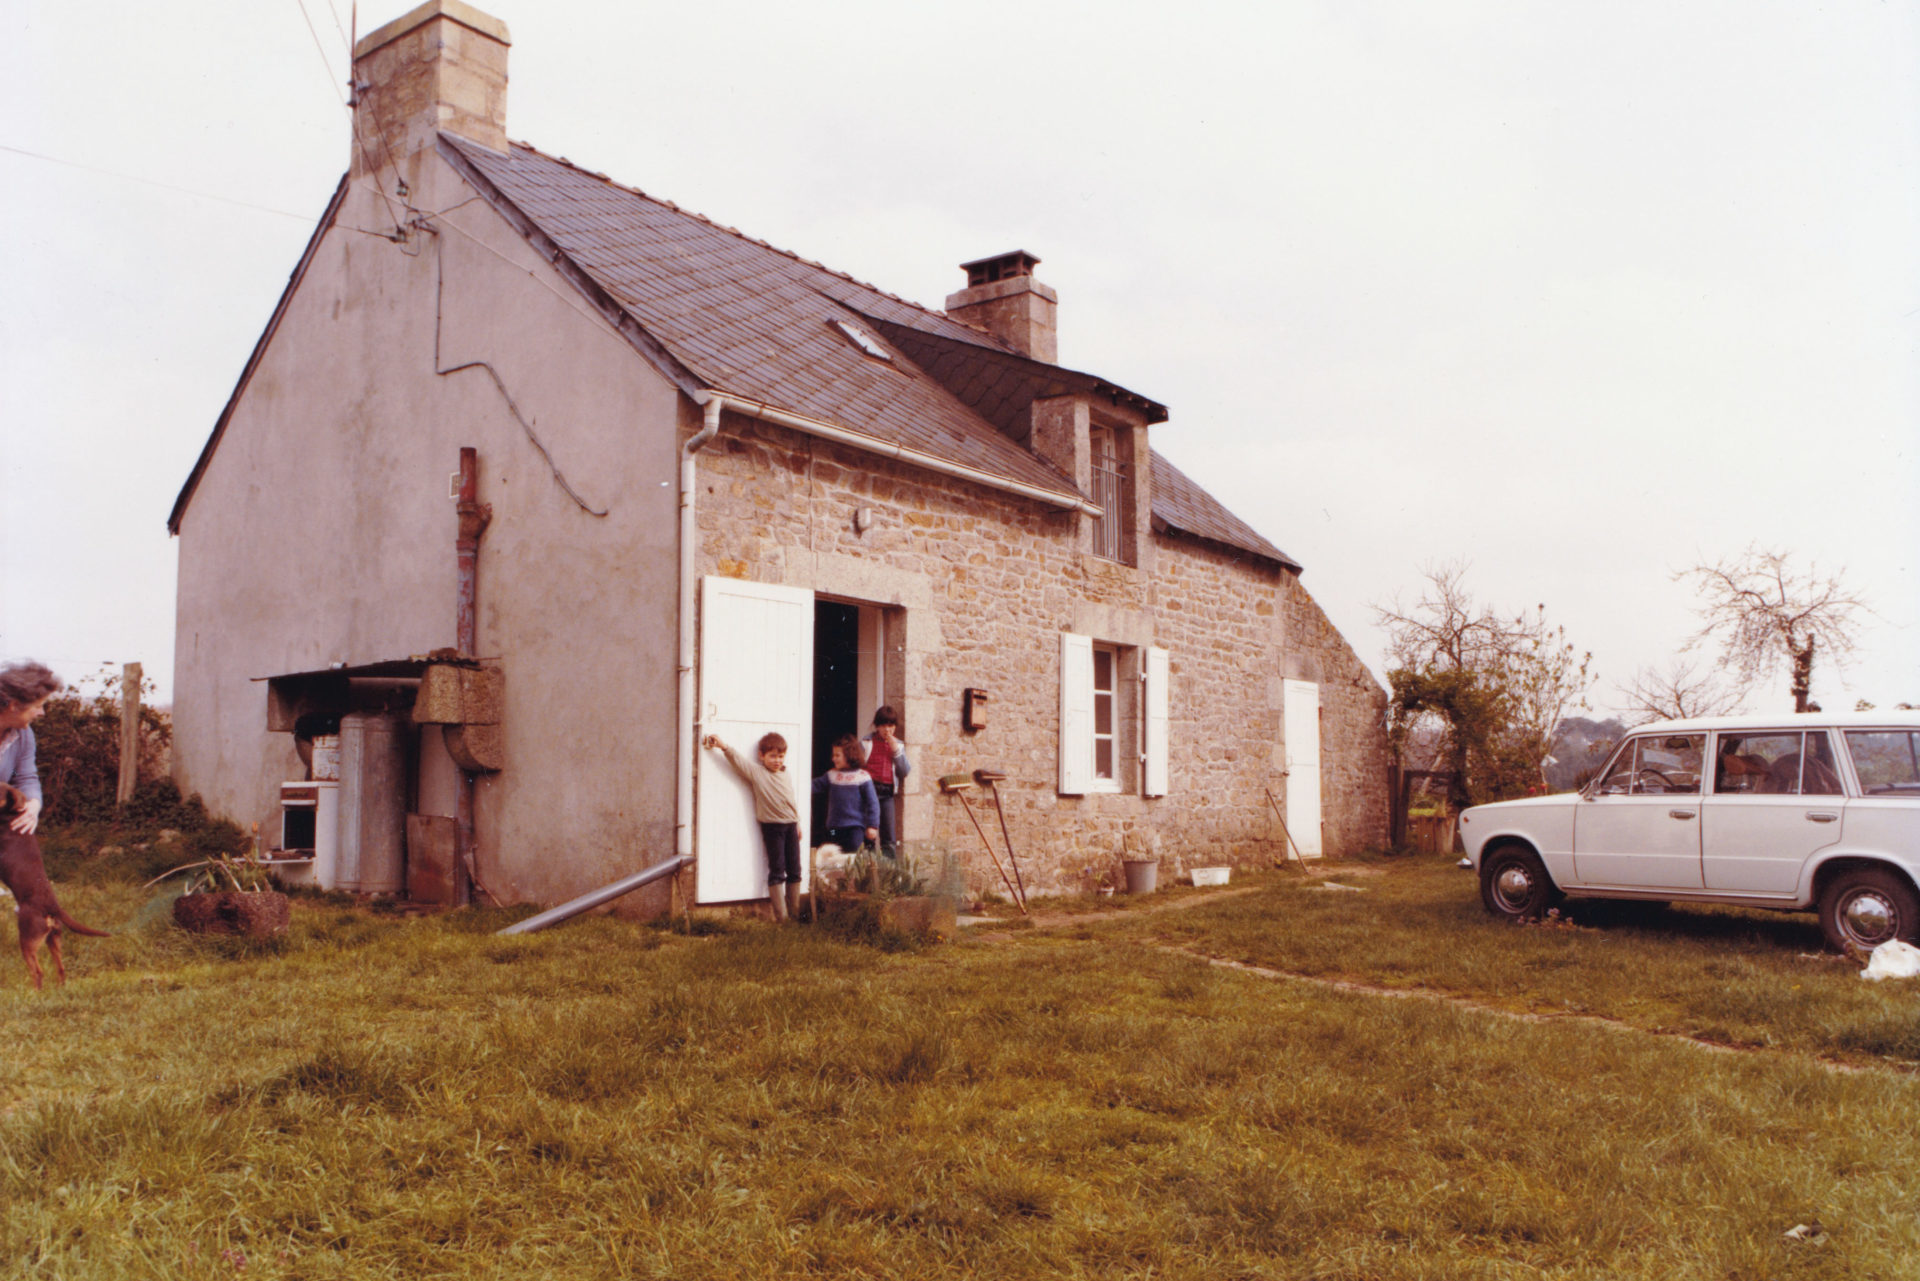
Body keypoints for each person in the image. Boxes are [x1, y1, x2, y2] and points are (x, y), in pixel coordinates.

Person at [703, 730, 803, 922]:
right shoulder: (757, 773)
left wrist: (797, 822)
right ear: (761, 756)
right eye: (772, 756)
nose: (777, 760)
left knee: (795, 869)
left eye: (780, 756)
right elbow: (738, 762)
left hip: (790, 825)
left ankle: (795, 914)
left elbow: (790, 800)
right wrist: (723, 746)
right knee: (777, 869)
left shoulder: (786, 774)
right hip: (773, 828)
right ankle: (782, 918)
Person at [0, 662, 60, 836]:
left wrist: (33, 806)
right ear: (14, 705)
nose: (42, 713)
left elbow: (26, 778)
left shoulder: (23, 735)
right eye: (38, 706)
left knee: (25, 849)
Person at [813, 735, 879, 854]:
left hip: (854, 829)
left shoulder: (862, 776)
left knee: (852, 858)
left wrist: (872, 825)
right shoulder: (831, 775)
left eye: (837, 755)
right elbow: (812, 786)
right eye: (833, 755)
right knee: (832, 857)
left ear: (849, 755)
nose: (833, 758)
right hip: (833, 829)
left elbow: (872, 803)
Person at [860, 706, 911, 858]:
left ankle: (889, 878)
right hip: (870, 793)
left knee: (889, 838)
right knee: (869, 835)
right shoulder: (866, 742)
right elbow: (857, 767)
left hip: (887, 794)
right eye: (883, 725)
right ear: (877, 726)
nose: (886, 729)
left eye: (890, 725)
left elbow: (904, 771)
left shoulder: (899, 745)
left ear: (895, 727)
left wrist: (896, 749)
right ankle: (870, 876)